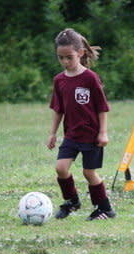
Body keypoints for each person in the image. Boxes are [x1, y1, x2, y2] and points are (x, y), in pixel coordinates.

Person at [47, 28, 116, 221]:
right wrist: (53, 133)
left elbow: (102, 107)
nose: (65, 62)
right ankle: (72, 201)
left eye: (69, 57)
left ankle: (104, 208)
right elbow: (58, 109)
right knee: (61, 169)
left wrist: (103, 133)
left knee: (88, 172)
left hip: (91, 135)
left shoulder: (90, 78)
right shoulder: (59, 80)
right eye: (60, 58)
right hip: (71, 135)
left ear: (81, 53)